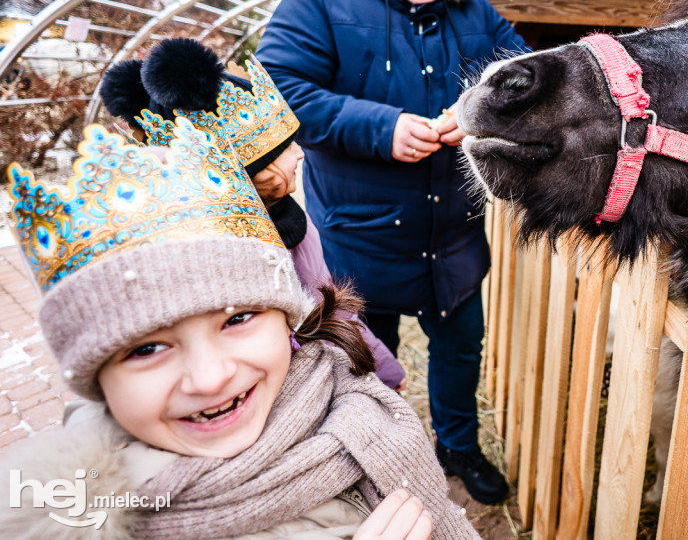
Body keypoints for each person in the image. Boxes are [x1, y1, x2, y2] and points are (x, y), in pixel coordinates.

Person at [0, 117, 478, 539]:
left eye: (238, 319)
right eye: (145, 349)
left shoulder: (352, 396)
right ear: (96, 378)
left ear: (288, 318)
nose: (210, 378)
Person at [255, 0, 529, 504]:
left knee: (460, 356)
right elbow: (278, 87)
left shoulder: (478, 18)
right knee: (361, 370)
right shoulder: (321, 3)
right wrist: (380, 127)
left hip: (453, 245)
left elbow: (527, 80)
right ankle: (375, 457)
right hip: (357, 248)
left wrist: (481, 110)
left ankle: (458, 447)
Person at [97, 37, 406, 391]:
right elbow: (334, 315)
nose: (300, 154)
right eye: (285, 146)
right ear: (253, 170)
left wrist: (385, 369)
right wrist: (387, 373)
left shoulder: (290, 221)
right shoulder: (232, 251)